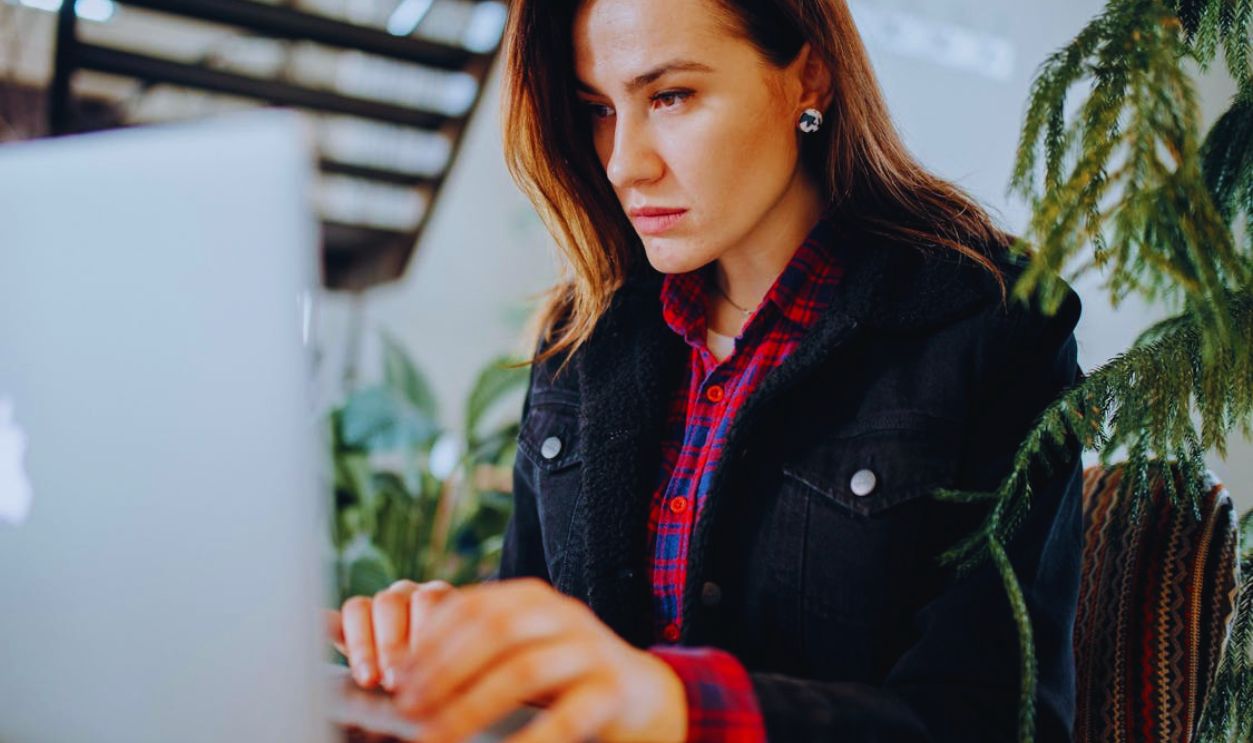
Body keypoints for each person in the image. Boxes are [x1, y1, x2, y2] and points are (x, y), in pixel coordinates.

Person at [326, 0, 1086, 741]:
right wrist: (449, 651)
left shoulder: (989, 328)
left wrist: (680, 708)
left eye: (671, 96)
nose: (625, 163)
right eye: (597, 107)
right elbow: (541, 649)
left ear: (808, 78)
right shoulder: (581, 335)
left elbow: (994, 718)